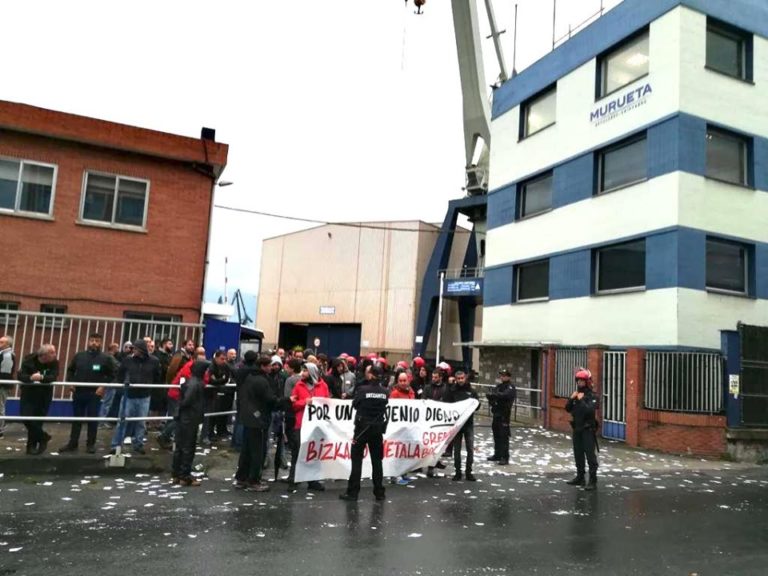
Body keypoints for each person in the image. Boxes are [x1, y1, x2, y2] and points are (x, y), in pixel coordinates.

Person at [339, 364, 389, 502]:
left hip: (362, 429)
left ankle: (353, 493)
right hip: (377, 430)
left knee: (356, 462)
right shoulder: (385, 391)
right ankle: (379, 492)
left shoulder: (362, 390)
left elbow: (355, 405)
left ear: (370, 375)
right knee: (377, 461)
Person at [60, 333, 116, 454]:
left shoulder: (105, 358)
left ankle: (90, 444)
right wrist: (71, 383)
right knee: (77, 419)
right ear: (88, 341)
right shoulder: (79, 356)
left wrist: (103, 386)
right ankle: (72, 443)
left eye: (97, 341)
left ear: (100, 343)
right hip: (78, 392)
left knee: (92, 420)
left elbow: (112, 374)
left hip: (94, 393)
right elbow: (70, 370)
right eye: (92, 340)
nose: (94, 343)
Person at [109, 339, 162, 455]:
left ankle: (138, 444)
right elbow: (120, 374)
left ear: (141, 350)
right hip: (129, 395)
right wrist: (123, 385)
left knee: (141, 422)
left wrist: (150, 386)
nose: (133, 351)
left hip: (144, 395)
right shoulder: (128, 360)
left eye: (135, 349)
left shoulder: (154, 361)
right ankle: (116, 444)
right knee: (122, 420)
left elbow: (158, 376)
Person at [233, 354, 276, 492]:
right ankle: (253, 480)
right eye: (269, 365)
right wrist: (286, 401)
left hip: (249, 417)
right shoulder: (262, 381)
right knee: (258, 451)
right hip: (259, 419)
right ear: (263, 366)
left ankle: (242, 478)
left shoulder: (249, 377)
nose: (271, 368)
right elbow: (270, 399)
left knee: (246, 450)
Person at [287, 362, 329, 492]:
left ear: (311, 372)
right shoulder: (298, 386)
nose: (302, 374)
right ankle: (294, 479)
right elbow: (292, 404)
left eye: (305, 371)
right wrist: (304, 403)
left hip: (316, 426)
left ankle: (313, 481)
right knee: (297, 452)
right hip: (300, 424)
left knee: (314, 453)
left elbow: (327, 403)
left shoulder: (323, 386)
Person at [17, 344, 59, 455]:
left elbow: (53, 376)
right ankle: (43, 437)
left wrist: (42, 378)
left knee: (37, 421)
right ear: (44, 355)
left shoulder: (54, 363)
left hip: (44, 396)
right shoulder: (29, 360)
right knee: (26, 417)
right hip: (29, 394)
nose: (55, 354)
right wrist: (30, 378)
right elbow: (20, 375)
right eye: (52, 352)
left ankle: (31, 447)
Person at [172, 359, 208, 486]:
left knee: (180, 447)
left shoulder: (189, 381)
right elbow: (188, 400)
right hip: (190, 417)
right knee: (188, 447)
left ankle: (176, 474)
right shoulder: (196, 383)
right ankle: (184, 475)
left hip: (184, 417)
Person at [565, 368, 599, 491]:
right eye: (578, 381)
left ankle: (593, 480)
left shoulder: (592, 396)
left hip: (588, 430)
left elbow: (590, 410)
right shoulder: (576, 394)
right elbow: (567, 408)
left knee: (590, 455)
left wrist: (581, 399)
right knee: (578, 454)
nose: (580, 383)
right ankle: (580, 477)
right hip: (577, 429)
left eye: (582, 381)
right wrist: (572, 399)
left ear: (587, 382)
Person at [445, 370, 478, 481]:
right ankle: (457, 472)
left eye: (462, 378)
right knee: (457, 450)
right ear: (456, 379)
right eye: (458, 379)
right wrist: (449, 385)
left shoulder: (472, 391)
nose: (460, 380)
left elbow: (477, 405)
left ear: (465, 378)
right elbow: (447, 402)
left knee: (470, 449)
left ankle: (469, 472)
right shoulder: (452, 391)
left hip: (468, 424)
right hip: (457, 425)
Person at [389, 371, 415, 486]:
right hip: (398, 428)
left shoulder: (411, 392)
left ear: (408, 380)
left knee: (405, 452)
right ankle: (395, 476)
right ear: (397, 382)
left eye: (405, 380)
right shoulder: (394, 394)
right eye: (401, 381)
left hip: (408, 427)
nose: (403, 383)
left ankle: (403, 473)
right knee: (397, 453)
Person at [486, 369, 517, 465]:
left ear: (508, 376)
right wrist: (492, 397)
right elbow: (491, 395)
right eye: (501, 376)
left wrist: (495, 395)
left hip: (504, 415)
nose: (502, 377)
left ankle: (504, 457)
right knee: (496, 435)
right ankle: (497, 454)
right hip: (496, 413)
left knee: (504, 436)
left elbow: (505, 396)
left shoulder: (511, 387)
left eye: (504, 376)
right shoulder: (499, 386)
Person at [0, 335, 16, 439]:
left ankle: (0, 431)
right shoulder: (4, 354)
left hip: (1, 385)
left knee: (0, 407)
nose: (0, 344)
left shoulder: (7, 356)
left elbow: (4, 374)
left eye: (2, 342)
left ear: (8, 344)